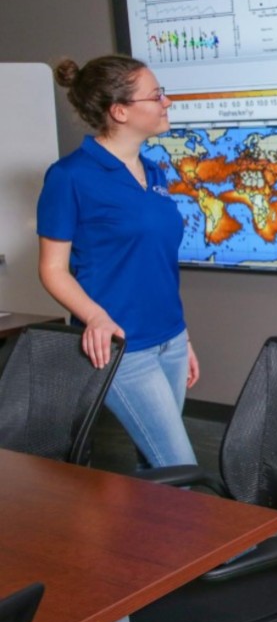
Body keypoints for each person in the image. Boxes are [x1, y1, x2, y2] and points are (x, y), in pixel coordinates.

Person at [37, 54, 198, 468]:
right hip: (123, 346)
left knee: (155, 464)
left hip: (170, 339)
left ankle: (150, 535)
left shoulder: (153, 171)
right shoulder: (69, 176)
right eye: (156, 94)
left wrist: (183, 338)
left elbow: (153, 263)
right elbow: (52, 269)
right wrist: (94, 317)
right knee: (180, 469)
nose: (167, 102)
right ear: (120, 110)